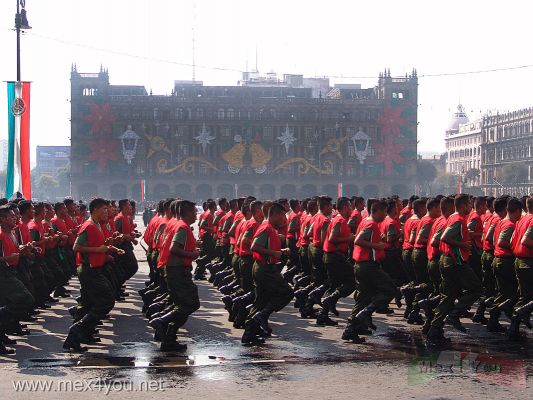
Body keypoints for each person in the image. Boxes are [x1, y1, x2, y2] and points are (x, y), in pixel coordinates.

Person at [63, 198, 124, 352]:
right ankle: (77, 330)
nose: (107, 212)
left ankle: (82, 335)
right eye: (104, 209)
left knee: (89, 303)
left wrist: (111, 250)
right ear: (95, 210)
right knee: (106, 301)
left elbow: (98, 244)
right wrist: (99, 251)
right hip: (89, 270)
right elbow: (77, 247)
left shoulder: (97, 225)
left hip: (95, 268)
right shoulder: (88, 226)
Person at [426, 194, 482, 344]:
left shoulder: (453, 218)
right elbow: (444, 237)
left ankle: (434, 329)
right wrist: (462, 245)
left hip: (448, 260)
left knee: (448, 295)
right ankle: (455, 313)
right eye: (470, 204)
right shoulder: (457, 219)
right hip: (455, 262)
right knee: (476, 288)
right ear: (463, 205)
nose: (471, 207)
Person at [342, 200, 395, 344]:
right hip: (368, 266)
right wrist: (377, 246)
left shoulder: (366, 221)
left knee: (363, 298)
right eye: (384, 212)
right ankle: (365, 314)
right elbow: (358, 240)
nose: (385, 215)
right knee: (390, 289)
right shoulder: (371, 224)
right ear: (377, 211)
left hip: (361, 264)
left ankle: (350, 329)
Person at [150, 200, 201, 351]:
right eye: (194, 212)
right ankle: (161, 321)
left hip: (172, 268)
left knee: (179, 304)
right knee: (190, 303)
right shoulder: (182, 227)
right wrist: (192, 254)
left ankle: (169, 338)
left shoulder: (174, 224)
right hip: (177, 269)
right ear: (188, 213)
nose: (196, 214)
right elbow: (174, 248)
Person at [241, 202, 293, 345]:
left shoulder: (269, 228)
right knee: (287, 293)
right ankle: (261, 316)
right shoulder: (266, 227)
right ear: (274, 214)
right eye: (282, 215)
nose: (284, 219)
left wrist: (280, 252)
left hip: (264, 267)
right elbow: (254, 247)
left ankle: (249, 334)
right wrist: (275, 252)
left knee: (261, 301)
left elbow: (265, 247)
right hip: (265, 269)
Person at [318, 197, 356, 326]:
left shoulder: (337, 219)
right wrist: (349, 238)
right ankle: (330, 300)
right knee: (352, 280)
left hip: (333, 256)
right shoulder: (339, 220)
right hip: (335, 256)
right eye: (350, 206)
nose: (351, 209)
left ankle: (323, 314)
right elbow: (333, 238)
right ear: (345, 207)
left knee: (334, 285)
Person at [486, 197, 522, 333]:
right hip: (505, 261)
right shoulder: (509, 225)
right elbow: (501, 242)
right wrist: (516, 247)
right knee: (512, 293)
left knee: (502, 293)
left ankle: (493, 319)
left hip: (499, 259)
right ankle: (509, 318)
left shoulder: (501, 222)